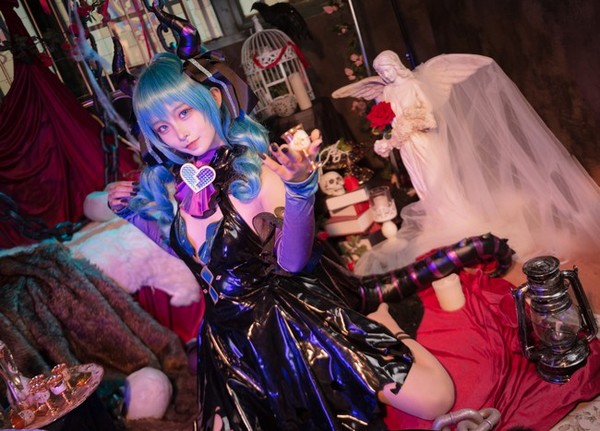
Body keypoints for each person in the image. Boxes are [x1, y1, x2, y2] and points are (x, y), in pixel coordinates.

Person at [106, 52, 513, 430]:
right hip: (228, 343)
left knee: (437, 399)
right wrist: (135, 218)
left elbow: (293, 263)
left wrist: (300, 190)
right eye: (162, 127)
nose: (178, 133)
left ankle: (386, 323)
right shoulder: (177, 186)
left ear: (212, 98)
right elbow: (198, 260)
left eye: (184, 112)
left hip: (289, 320)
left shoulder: (257, 174)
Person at [333, 51, 600, 276]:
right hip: (409, 150)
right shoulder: (388, 90)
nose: (385, 74)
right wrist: (388, 140)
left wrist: (397, 134)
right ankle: (441, 219)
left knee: (439, 184)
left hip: (425, 144)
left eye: (387, 68)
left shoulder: (414, 85)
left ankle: (456, 219)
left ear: (396, 65)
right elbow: (392, 121)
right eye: (381, 71)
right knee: (424, 188)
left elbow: (427, 117)